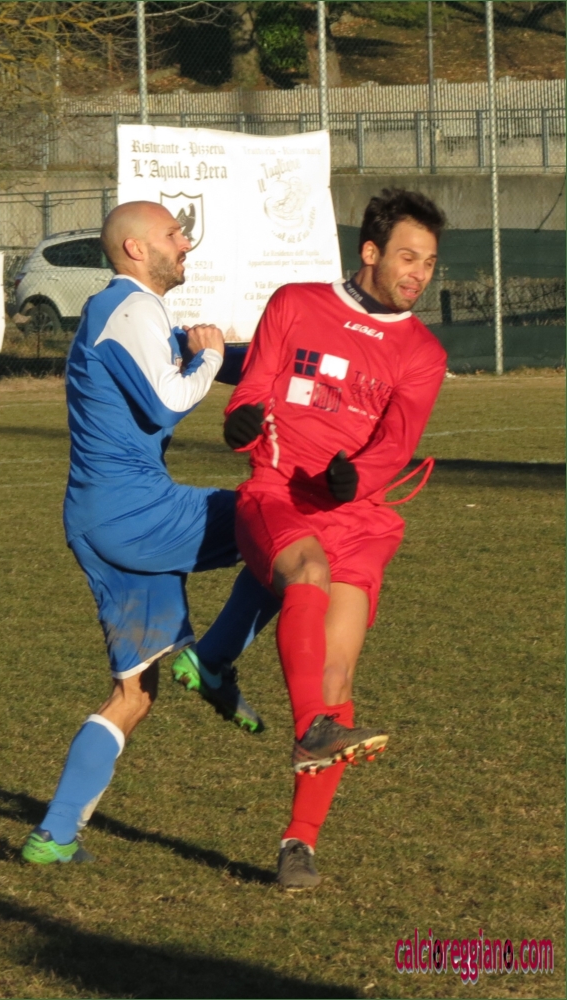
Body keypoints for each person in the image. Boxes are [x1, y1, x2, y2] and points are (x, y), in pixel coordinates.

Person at [22, 201, 278, 864]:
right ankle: (215, 662)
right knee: (287, 531)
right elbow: (170, 399)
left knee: (134, 693)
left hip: (99, 519)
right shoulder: (131, 308)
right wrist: (211, 356)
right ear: (136, 249)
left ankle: (55, 835)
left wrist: (276, 359)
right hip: (134, 512)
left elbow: (198, 359)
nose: (185, 243)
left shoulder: (126, 312)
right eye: (172, 234)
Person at [223, 188, 448, 888]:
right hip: (277, 495)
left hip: (357, 517)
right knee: (309, 573)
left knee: (338, 677)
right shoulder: (295, 303)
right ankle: (312, 729)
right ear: (370, 252)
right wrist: (240, 419)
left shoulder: (423, 352)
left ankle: (300, 843)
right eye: (407, 257)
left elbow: (396, 445)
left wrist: (359, 477)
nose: (419, 274)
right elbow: (252, 388)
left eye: (429, 262)